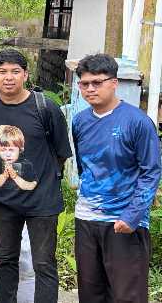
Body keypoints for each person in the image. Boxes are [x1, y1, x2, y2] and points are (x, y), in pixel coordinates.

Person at [0, 49, 72, 303]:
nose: (9, 77)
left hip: (42, 202)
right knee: (6, 259)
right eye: (2, 72)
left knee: (44, 263)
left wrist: (43, 180)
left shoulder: (46, 108)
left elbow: (61, 153)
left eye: (15, 71)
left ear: (25, 75)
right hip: (3, 201)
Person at [71, 53, 161, 303]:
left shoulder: (138, 122)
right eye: (84, 83)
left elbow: (151, 171)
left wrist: (132, 215)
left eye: (97, 82)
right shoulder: (79, 121)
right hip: (87, 218)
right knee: (91, 292)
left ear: (114, 82)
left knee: (126, 295)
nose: (90, 89)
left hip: (124, 222)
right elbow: (83, 166)